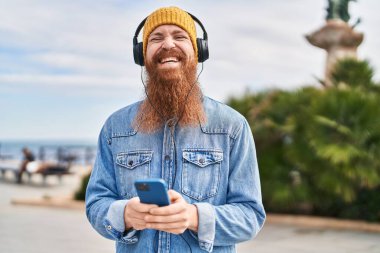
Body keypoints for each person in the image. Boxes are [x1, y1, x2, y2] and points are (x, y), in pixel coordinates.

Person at [86, 6, 266, 253]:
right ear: (142, 54)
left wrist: (194, 217)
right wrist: (125, 214)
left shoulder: (232, 127)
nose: (167, 44)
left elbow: (251, 215)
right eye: (156, 38)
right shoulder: (115, 128)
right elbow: (96, 203)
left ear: (198, 51)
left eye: (180, 37)